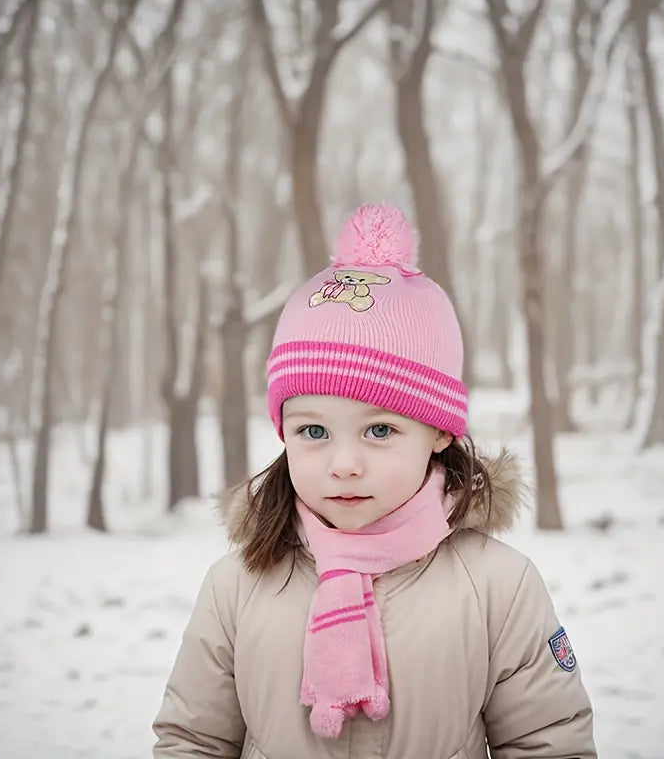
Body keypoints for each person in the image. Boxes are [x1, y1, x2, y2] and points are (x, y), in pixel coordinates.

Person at [152, 203, 596, 758]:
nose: (343, 463)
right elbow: (193, 741)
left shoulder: (498, 589)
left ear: (439, 430)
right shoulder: (237, 586)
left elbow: (548, 744)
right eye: (314, 430)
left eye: (379, 429)